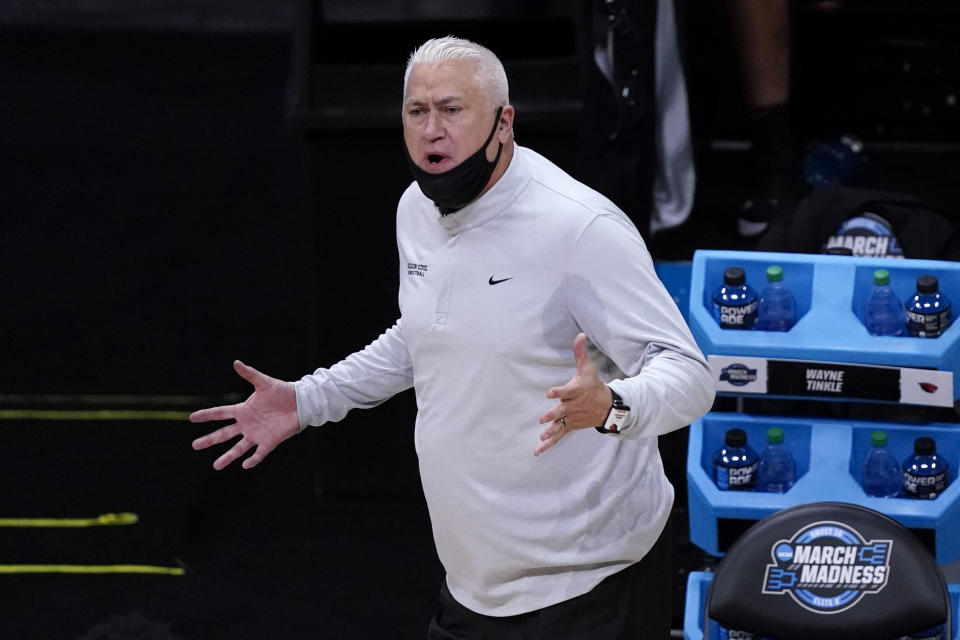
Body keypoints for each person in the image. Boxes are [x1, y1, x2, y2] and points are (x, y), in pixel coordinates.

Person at [190, 36, 715, 639]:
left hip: (589, 584)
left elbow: (690, 374)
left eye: (452, 109)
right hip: (474, 583)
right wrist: (311, 399)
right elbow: (423, 335)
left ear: (503, 122)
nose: (431, 130)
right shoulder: (415, 207)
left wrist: (614, 408)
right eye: (417, 111)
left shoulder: (579, 228)